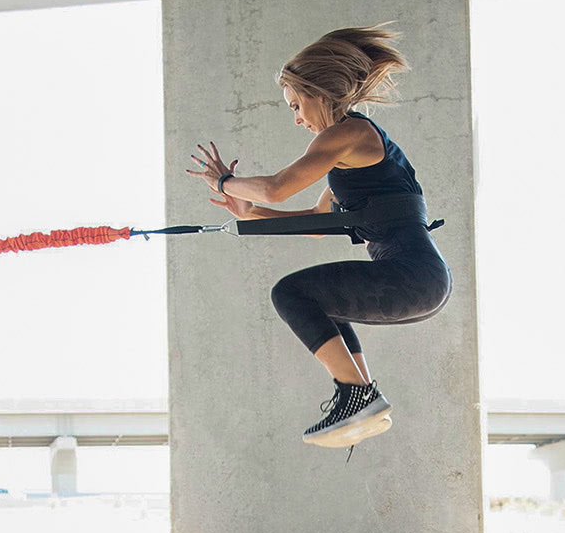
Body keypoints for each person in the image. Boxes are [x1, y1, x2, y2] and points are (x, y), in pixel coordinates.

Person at [187, 24, 452, 449]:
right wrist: (249, 210)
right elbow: (315, 222)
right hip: (420, 282)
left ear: (318, 93)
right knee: (322, 301)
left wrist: (225, 183)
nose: (296, 118)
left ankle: (358, 395)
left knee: (291, 293)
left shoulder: (349, 134)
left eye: (296, 104)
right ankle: (363, 394)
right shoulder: (349, 159)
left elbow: (276, 186)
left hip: (413, 277)